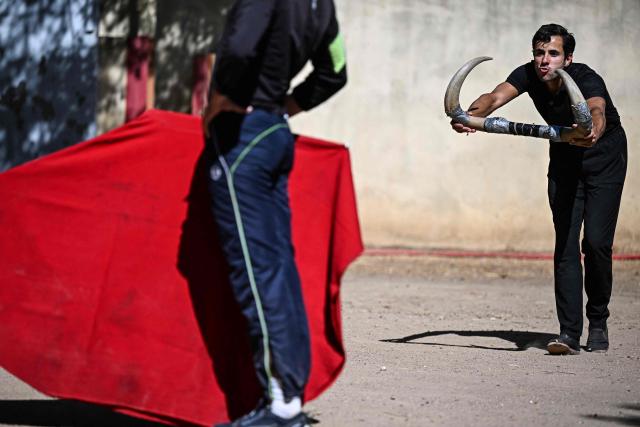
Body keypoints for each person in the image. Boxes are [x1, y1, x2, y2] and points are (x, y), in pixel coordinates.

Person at [201, 0, 347, 425]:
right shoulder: (322, 5)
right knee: (277, 268)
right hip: (273, 133)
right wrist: (284, 106)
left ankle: (280, 405)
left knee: (257, 271)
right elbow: (335, 71)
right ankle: (288, 399)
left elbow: (241, 48)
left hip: (241, 139)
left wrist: (222, 97)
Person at [451, 23, 627, 355]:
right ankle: (570, 334)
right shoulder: (529, 75)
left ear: (568, 58)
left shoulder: (585, 77)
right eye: (539, 53)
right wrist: (469, 117)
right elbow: (494, 97)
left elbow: (597, 111)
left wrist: (592, 129)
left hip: (605, 158)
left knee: (597, 243)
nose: (544, 60)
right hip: (564, 159)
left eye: (552, 54)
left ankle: (598, 321)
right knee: (565, 242)